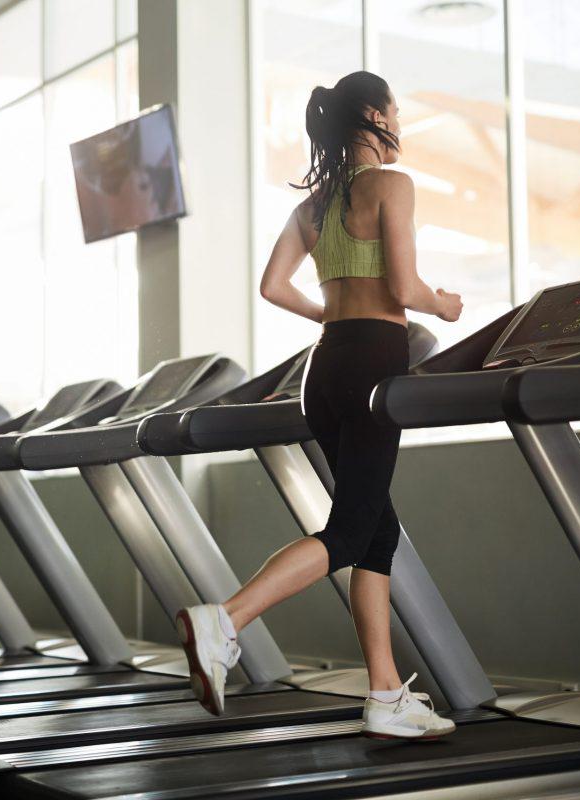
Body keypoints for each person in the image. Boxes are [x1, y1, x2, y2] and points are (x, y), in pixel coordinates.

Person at [175, 71, 463, 741]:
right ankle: (225, 619)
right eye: (395, 109)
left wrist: (330, 311)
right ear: (372, 115)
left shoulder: (314, 205)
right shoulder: (393, 186)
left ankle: (386, 694)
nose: (399, 121)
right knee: (348, 531)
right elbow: (404, 284)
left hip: (325, 366)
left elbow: (274, 287)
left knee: (374, 533)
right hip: (372, 363)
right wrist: (442, 305)